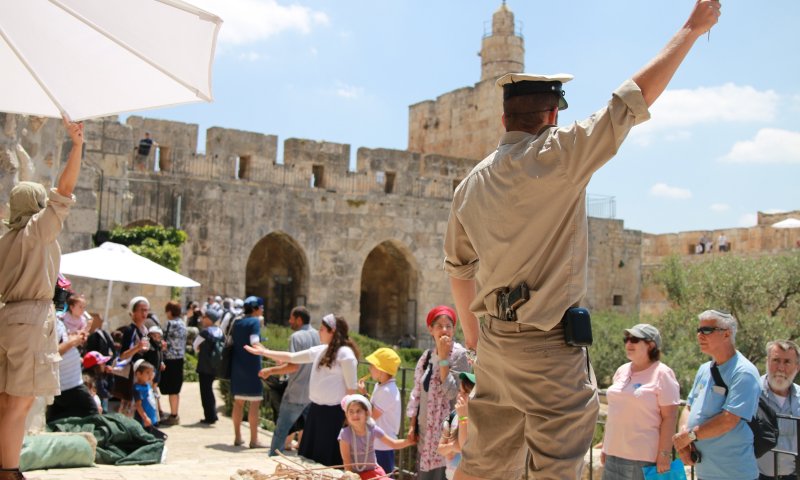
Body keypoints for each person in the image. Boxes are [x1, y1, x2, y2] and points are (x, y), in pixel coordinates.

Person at [443, 2, 722, 478]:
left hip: (495, 344)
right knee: (556, 466)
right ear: (552, 114)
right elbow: (631, 100)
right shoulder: (559, 155)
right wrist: (691, 30)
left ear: (504, 118)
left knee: (485, 466)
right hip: (549, 350)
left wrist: (476, 341)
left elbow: (459, 270)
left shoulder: (470, 184)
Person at [0, 116, 83, 480]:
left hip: (6, 319)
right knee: (20, 404)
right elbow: (63, 191)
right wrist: (77, 146)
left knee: (5, 402)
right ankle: (10, 470)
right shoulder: (37, 232)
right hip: (32, 321)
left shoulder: (4, 242)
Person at [246, 313, 360, 466]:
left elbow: (351, 389)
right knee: (310, 458)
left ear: (332, 331)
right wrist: (264, 352)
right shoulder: (322, 350)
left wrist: (348, 417)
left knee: (329, 459)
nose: (319, 332)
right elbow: (292, 357)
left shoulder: (346, 355)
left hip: (334, 414)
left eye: (322, 329)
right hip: (316, 411)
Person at [673, 309, 761, 480]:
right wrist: (683, 442)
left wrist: (690, 436)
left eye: (707, 330)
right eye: (698, 330)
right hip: (705, 471)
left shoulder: (744, 372)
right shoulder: (704, 369)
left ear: (726, 334)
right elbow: (689, 407)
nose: (700, 335)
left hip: (734, 473)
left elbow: (729, 419)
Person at [601, 324, 680, 479]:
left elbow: (669, 417)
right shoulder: (622, 370)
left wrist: (664, 454)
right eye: (627, 339)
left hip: (642, 459)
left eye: (635, 339)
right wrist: (605, 445)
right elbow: (615, 411)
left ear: (651, 345)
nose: (628, 344)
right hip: (612, 454)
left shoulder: (663, 374)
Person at [406, 306, 470, 480]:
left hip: (448, 440)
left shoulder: (460, 356)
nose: (444, 330)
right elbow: (417, 393)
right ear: (430, 329)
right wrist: (412, 425)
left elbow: (453, 394)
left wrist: (443, 359)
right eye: (439, 326)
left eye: (448, 326)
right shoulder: (426, 357)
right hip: (426, 436)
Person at [259, 306, 320, 456]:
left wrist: (270, 370)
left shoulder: (296, 337)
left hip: (296, 392)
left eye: (291, 318)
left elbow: (293, 366)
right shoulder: (319, 336)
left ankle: (274, 458)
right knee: (308, 429)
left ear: (299, 320)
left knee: (282, 429)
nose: (289, 321)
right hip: (313, 393)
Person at [338, 394, 414, 480]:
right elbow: (346, 461)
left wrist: (410, 441)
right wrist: (351, 477)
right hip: (356, 475)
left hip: (374, 472)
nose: (355, 414)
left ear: (366, 413)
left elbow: (393, 443)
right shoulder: (345, 434)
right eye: (351, 411)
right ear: (347, 415)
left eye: (358, 411)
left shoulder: (372, 429)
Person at [757, 340, 800, 480]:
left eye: (787, 362)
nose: (781, 368)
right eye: (776, 360)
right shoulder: (751, 393)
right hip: (756, 475)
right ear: (767, 362)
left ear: (797, 366)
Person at [46, 316, 99, 422]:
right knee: (92, 417)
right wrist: (73, 342)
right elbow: (50, 354)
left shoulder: (57, 322)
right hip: (67, 387)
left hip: (68, 386)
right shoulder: (48, 321)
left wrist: (77, 338)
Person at [229, 296, 266, 448]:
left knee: (238, 403)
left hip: (237, 365)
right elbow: (254, 342)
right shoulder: (254, 322)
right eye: (261, 307)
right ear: (256, 308)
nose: (263, 310)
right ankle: (254, 440)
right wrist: (270, 353)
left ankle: (238, 437)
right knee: (254, 403)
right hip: (252, 367)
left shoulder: (237, 322)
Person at [359, 347, 402, 474]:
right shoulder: (382, 386)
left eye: (372, 365)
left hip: (383, 446)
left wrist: (363, 394)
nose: (369, 368)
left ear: (381, 370)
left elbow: (371, 415)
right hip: (378, 443)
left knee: (382, 476)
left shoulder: (387, 391)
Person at [111, 296, 152, 416]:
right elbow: (123, 355)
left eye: (146, 310)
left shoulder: (144, 330)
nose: (144, 313)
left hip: (142, 372)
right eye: (141, 310)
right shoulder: (130, 330)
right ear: (133, 312)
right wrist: (137, 348)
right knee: (129, 404)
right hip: (132, 374)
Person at [438, 372, 476, 480]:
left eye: (466, 392)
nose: (460, 395)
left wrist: (463, 417)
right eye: (460, 391)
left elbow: (465, 449)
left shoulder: (479, 421)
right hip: (450, 475)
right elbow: (440, 448)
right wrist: (452, 447)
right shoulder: (452, 416)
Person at [160, 300, 187, 426]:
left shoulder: (169, 324)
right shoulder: (182, 323)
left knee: (168, 387)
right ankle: (174, 413)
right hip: (180, 358)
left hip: (169, 359)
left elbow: (162, 340)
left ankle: (169, 414)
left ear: (170, 311)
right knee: (175, 389)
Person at [194, 308, 223, 425]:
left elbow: (195, 346)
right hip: (215, 365)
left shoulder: (205, 332)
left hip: (204, 366)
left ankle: (210, 416)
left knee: (205, 391)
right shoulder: (220, 332)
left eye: (205, 317)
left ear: (210, 319)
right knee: (210, 390)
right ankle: (213, 414)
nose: (203, 319)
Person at [132, 360, 166, 440]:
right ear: (138, 374)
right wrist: (145, 418)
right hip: (144, 421)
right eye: (147, 373)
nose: (150, 375)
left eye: (151, 372)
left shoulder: (148, 385)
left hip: (152, 419)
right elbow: (138, 405)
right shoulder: (137, 388)